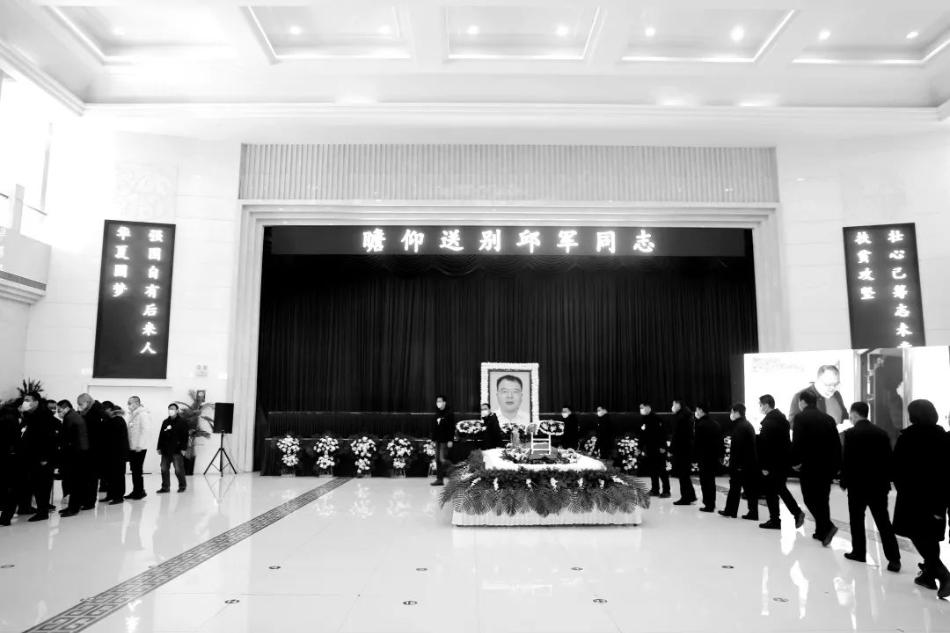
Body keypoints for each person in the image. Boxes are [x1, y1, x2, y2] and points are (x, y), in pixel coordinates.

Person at [892, 399, 950, 597]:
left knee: (916, 533)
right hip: (937, 496)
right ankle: (928, 576)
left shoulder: (908, 438)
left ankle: (942, 573)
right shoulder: (943, 437)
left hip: (913, 496)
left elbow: (897, 468)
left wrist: (903, 488)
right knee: (931, 535)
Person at [840, 401, 900, 571]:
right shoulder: (881, 433)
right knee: (883, 522)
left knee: (856, 520)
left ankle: (859, 552)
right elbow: (889, 459)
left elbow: (847, 460)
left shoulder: (850, 434)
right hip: (878, 485)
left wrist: (844, 481)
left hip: (857, 485)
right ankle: (894, 559)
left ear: (854, 414)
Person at [792, 389, 842, 546]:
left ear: (802, 402)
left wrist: (795, 461)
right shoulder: (828, 418)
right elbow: (836, 444)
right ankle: (821, 532)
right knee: (823, 499)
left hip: (810, 465)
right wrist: (837, 465)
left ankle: (827, 526)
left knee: (809, 498)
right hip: (827, 466)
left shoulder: (800, 417)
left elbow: (797, 441)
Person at [757, 394, 806, 530]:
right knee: (779, 488)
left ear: (766, 405)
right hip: (782, 462)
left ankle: (784, 516)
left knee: (772, 490)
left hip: (772, 463)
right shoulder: (782, 420)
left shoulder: (769, 422)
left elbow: (766, 446)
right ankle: (781, 517)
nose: (759, 408)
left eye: (760, 405)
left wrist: (764, 466)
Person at [17, 393, 59, 522]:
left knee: (42, 485)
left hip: (42, 458)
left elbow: (48, 438)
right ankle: (26, 507)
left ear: (36, 402)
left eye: (27, 400)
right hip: (31, 455)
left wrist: (45, 457)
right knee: (32, 483)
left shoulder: (44, 416)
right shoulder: (31, 414)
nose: (25, 402)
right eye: (24, 400)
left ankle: (42, 512)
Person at [720, 403, 759, 520]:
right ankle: (750, 512)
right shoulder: (746, 425)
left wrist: (735, 464)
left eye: (732, 412)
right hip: (747, 463)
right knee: (747, 488)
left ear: (737, 413)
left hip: (741, 464)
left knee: (736, 487)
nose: (731, 414)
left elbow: (738, 447)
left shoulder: (740, 427)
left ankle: (731, 510)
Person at [56, 400, 91, 517]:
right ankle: (73, 506)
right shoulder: (74, 415)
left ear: (66, 408)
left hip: (75, 454)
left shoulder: (70, 418)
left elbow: (66, 438)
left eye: (59, 409)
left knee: (75, 483)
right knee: (76, 482)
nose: (58, 412)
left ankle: (73, 508)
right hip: (80, 453)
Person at [789, 365, 848, 432]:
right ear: (818, 380)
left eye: (836, 384)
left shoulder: (837, 394)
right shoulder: (800, 396)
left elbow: (845, 416)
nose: (832, 388)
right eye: (828, 384)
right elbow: (792, 424)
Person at [77, 393, 109, 499]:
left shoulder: (97, 412)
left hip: (94, 450)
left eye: (80, 404)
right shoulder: (89, 411)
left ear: (88, 402)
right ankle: (87, 499)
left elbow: (95, 433)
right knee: (89, 477)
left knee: (91, 477)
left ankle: (89, 501)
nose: (79, 406)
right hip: (89, 449)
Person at [693, 402, 723, 512]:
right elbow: (720, 441)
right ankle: (712, 503)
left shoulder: (700, 425)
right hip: (713, 457)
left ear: (701, 410)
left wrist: (694, 457)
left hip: (704, 458)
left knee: (705, 482)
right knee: (711, 481)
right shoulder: (715, 423)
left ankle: (708, 504)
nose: (696, 412)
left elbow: (697, 443)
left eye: (697, 410)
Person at [637, 402, 670, 498]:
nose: (641, 410)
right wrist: (639, 447)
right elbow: (643, 435)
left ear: (648, 408)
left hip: (659, 449)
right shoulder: (644, 419)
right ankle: (655, 489)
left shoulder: (657, 419)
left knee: (661, 469)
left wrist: (663, 447)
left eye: (643, 408)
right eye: (640, 408)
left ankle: (666, 490)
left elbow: (663, 434)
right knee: (652, 470)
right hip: (650, 449)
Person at [156, 403, 188, 493]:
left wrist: (184, 448)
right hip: (165, 449)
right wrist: (159, 447)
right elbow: (161, 435)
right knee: (164, 469)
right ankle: (165, 487)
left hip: (177, 449)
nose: (171, 410)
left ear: (177, 410)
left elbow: (185, 436)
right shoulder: (165, 422)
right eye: (169, 408)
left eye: (173, 409)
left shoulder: (182, 422)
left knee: (178, 470)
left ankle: (182, 486)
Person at [670, 398, 697, 506]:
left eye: (674, 404)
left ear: (679, 404)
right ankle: (690, 495)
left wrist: (672, 448)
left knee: (683, 475)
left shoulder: (681, 417)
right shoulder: (687, 415)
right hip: (686, 449)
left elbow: (677, 435)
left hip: (682, 450)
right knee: (685, 475)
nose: (672, 406)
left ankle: (685, 498)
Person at [103, 405, 130, 504]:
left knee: (117, 476)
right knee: (112, 476)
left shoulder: (117, 421)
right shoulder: (115, 420)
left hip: (117, 453)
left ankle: (118, 497)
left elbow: (113, 438)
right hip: (115, 453)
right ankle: (111, 495)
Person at [0, 400, 21, 526]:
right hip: (12, 458)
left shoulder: (2, 419)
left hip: (3, 458)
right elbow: (16, 439)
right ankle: (6, 517)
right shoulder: (13, 421)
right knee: (12, 489)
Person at [125, 396, 150, 500]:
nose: (128, 405)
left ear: (137, 403)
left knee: (137, 471)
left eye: (130, 403)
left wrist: (140, 444)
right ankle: (136, 490)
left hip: (139, 448)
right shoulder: (132, 414)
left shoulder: (142, 414)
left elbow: (146, 430)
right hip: (132, 447)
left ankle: (139, 492)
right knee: (134, 470)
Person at [430, 396, 454, 486]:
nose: (438, 403)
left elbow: (451, 428)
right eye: (437, 401)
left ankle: (455, 473)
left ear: (444, 402)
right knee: (437, 460)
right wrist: (433, 439)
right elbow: (434, 428)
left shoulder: (449, 413)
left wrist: (450, 440)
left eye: (440, 401)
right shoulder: (437, 413)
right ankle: (439, 479)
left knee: (442, 459)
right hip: (437, 440)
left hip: (445, 440)